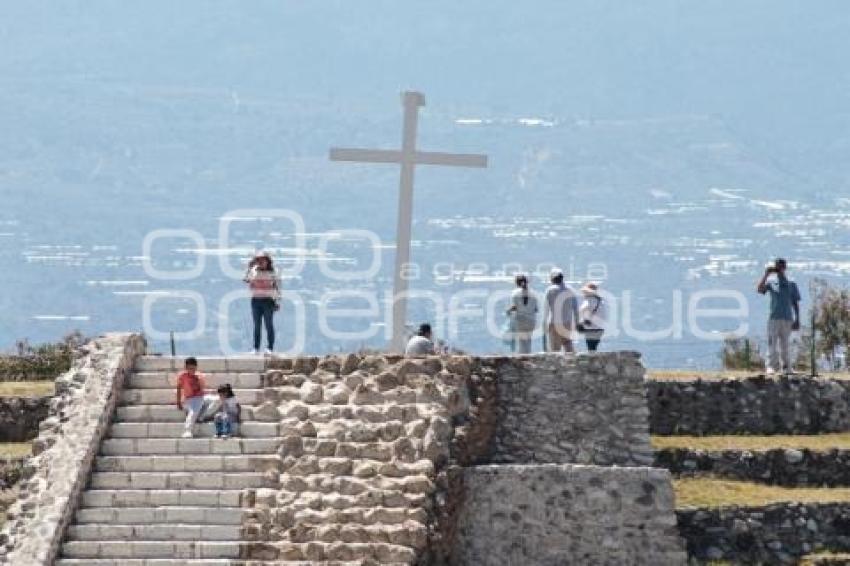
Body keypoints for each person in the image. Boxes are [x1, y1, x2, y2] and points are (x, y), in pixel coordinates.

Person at [757, 258, 801, 375]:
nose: (779, 269)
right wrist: (766, 274)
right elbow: (760, 290)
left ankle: (786, 367)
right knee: (772, 343)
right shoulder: (772, 282)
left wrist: (797, 319)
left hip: (787, 318)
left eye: (781, 266)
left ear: (785, 267)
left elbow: (795, 302)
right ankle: (771, 366)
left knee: (785, 343)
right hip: (774, 317)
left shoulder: (791, 283)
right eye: (777, 267)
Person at [243, 251, 280, 355]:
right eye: (258, 260)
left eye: (263, 260)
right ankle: (256, 347)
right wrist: (249, 267)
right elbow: (246, 279)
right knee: (257, 325)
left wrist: (277, 301)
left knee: (268, 324)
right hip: (255, 300)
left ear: (268, 261)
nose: (261, 262)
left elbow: (278, 287)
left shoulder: (273, 272)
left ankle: (270, 347)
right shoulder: (254, 271)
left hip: (268, 300)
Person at [542, 268, 579, 353]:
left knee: (555, 349)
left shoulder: (550, 290)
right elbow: (575, 309)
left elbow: (546, 310)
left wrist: (544, 325)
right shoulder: (570, 290)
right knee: (568, 345)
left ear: (552, 279)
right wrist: (577, 323)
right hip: (567, 322)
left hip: (554, 322)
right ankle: (572, 364)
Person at [175, 357, 207, 438]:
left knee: (218, 400)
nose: (191, 370)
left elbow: (202, 388)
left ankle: (202, 416)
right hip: (189, 398)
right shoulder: (182, 376)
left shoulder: (199, 376)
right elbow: (178, 388)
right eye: (189, 368)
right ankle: (187, 430)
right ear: (186, 367)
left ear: (196, 367)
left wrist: (197, 380)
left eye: (193, 368)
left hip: (200, 397)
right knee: (193, 412)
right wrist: (178, 402)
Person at [506, 274, 538, 354]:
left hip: (520, 320)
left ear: (516, 283)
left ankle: (523, 357)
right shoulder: (533, 293)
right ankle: (528, 354)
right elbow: (536, 309)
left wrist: (508, 311)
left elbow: (515, 307)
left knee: (521, 342)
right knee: (528, 340)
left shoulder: (515, 293)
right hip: (531, 321)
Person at [578, 282, 607, 352]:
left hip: (591, 329)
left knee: (590, 348)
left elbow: (582, 310)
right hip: (600, 328)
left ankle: (592, 361)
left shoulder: (589, 300)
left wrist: (581, 320)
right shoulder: (600, 301)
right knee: (593, 347)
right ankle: (594, 360)